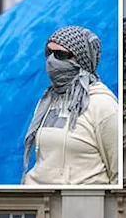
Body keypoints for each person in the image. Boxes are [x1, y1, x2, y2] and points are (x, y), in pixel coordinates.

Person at [23, 26, 119, 186]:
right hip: (39, 204)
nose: (51, 60)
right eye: (49, 53)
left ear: (81, 58)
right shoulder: (48, 100)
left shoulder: (103, 104)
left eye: (60, 54)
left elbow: (118, 172)